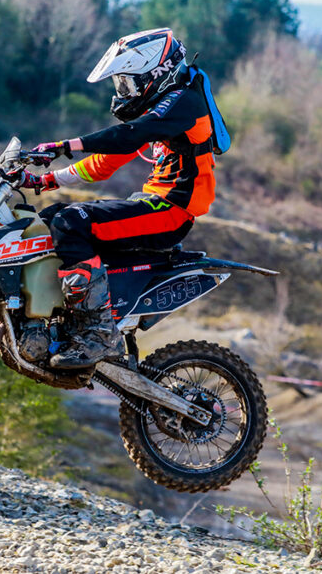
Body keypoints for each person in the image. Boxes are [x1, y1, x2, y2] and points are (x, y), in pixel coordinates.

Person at [19, 28, 223, 369]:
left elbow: (128, 135)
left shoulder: (183, 102)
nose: (124, 92)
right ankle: (55, 322)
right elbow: (105, 162)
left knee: (72, 222)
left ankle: (98, 333)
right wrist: (45, 180)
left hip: (171, 211)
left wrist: (65, 146)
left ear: (155, 72)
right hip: (155, 205)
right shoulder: (164, 108)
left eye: (128, 83)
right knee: (53, 216)